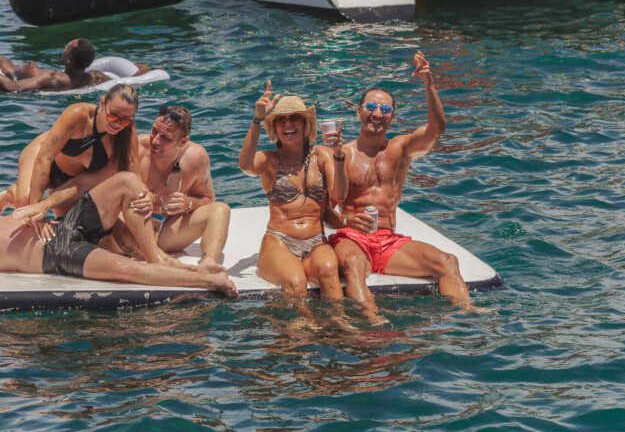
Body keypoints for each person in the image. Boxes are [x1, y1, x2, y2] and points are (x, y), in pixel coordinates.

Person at [328, 51, 471, 314]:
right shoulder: (342, 154)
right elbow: (325, 210)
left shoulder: (401, 148)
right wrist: (346, 222)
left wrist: (429, 83)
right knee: (353, 266)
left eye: (385, 109)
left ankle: (467, 317)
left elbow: (436, 129)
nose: (377, 114)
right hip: (352, 238)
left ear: (392, 116)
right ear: (358, 112)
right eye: (371, 107)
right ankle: (371, 321)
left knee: (448, 262)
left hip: (388, 241)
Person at [1, 172, 236, 296]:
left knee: (127, 181)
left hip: (64, 226)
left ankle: (157, 258)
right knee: (124, 269)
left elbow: (13, 192)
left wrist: (33, 208)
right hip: (55, 253)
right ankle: (206, 279)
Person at [239, 82, 347, 299]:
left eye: (294, 118)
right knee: (296, 284)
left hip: (316, 240)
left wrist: (338, 155)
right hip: (280, 241)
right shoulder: (270, 160)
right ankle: (299, 333)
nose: (288, 124)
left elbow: (338, 196)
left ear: (306, 124)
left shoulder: (323, 155)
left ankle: (340, 330)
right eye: (281, 120)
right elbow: (246, 166)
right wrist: (257, 119)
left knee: (328, 271)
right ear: (275, 128)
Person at [0, 83, 140, 213]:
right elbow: (44, 158)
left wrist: (146, 197)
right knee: (24, 201)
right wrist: (35, 207)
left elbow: (135, 177)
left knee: (67, 217)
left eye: (126, 119)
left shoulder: (126, 136)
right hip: (41, 157)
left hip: (72, 181)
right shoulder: (78, 115)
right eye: (113, 115)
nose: (118, 123)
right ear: (102, 103)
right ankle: (9, 195)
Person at [135, 105, 231, 270]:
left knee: (221, 210)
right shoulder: (136, 148)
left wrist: (188, 204)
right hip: (133, 230)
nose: (156, 140)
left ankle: (209, 263)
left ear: (183, 141)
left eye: (166, 138)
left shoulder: (196, 158)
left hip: (166, 233)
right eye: (154, 131)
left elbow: (208, 200)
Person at [0, 38, 150, 94]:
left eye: (67, 47)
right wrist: (142, 70)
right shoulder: (94, 76)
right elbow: (128, 82)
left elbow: (14, 87)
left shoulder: (51, 77)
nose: (64, 46)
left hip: (26, 76)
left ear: (69, 60)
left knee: (24, 66)